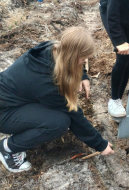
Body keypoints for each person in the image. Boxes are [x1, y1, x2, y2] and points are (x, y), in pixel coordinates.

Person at [0, 27, 114, 173]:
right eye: (83, 58)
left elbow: (72, 62)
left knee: (56, 117)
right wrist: (100, 144)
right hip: (4, 113)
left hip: (14, 100)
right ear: (73, 57)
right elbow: (74, 114)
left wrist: (82, 76)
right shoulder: (45, 82)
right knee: (58, 123)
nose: (85, 61)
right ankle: (8, 148)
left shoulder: (53, 48)